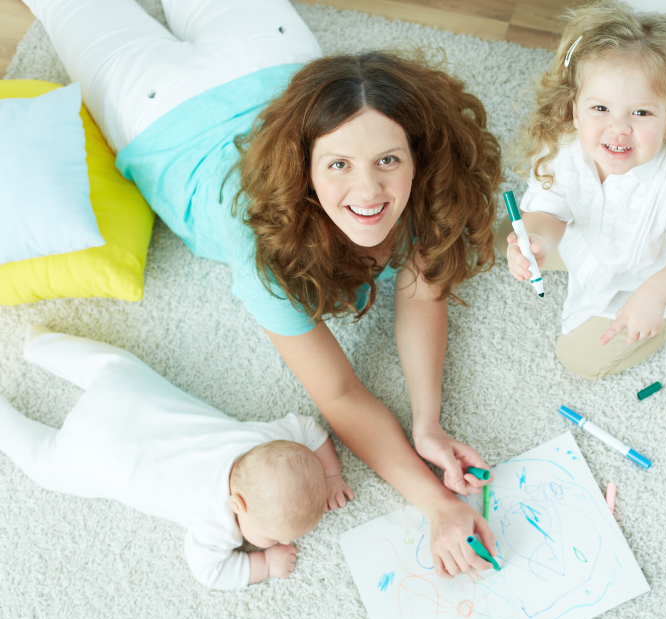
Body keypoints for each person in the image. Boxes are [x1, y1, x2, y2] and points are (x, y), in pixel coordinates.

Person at [24, 0, 500, 577]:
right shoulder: (266, 250)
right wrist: (435, 503)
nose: (369, 191)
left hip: (269, 59)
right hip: (158, 110)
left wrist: (428, 423)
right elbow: (341, 395)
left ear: (418, 159)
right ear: (304, 169)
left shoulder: (429, 191)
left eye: (388, 160)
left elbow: (423, 290)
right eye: (339, 165)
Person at [0, 327, 356, 590]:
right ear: (237, 504)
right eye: (269, 536)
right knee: (45, 464)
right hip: (95, 453)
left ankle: (39, 345)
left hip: (122, 392)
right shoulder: (218, 524)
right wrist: (264, 563)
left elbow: (308, 428)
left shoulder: (264, 441)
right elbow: (210, 572)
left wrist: (329, 475)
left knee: (113, 365)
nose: (279, 543)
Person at [503, 0, 666, 380]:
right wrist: (536, 241)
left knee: (579, 359)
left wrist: (655, 297)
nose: (618, 128)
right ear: (574, 109)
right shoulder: (562, 146)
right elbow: (550, 210)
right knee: (506, 234)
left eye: (642, 113)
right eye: (600, 108)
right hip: (590, 246)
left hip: (649, 276)